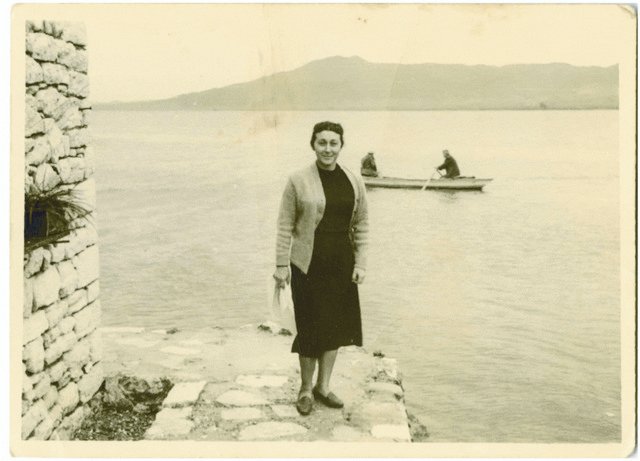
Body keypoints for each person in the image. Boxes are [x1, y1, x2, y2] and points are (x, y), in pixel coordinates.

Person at [274, 121, 369, 416]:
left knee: (336, 327)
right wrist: (281, 264)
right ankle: (305, 389)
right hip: (308, 265)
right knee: (310, 328)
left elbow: (362, 225)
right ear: (313, 145)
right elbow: (285, 225)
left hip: (341, 263)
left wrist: (360, 263)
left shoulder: (354, 180)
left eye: (333, 143)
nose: (328, 149)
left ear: (341, 146)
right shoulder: (297, 180)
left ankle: (323, 387)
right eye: (322, 142)